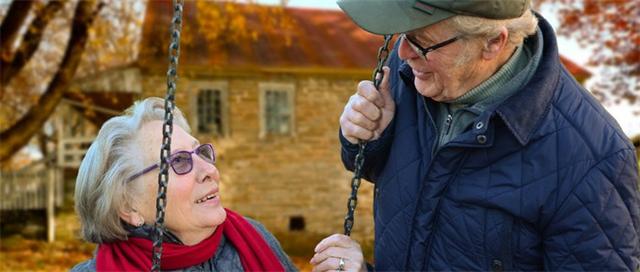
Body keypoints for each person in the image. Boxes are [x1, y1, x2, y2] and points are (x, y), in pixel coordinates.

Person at [312, 0, 640, 271]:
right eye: (402, 36)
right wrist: (364, 137)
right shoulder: (411, 77)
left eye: (421, 42)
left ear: (493, 42)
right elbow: (392, 176)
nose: (403, 54)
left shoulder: (593, 161)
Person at [71, 97, 297, 271]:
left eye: (201, 152)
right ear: (128, 206)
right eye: (179, 161)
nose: (210, 171)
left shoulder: (255, 239)